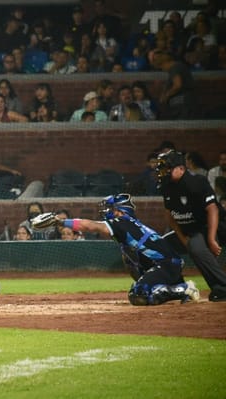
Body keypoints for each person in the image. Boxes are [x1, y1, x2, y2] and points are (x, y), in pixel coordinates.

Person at [38, 193, 199, 305]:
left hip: (165, 264)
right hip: (165, 264)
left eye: (111, 208)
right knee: (135, 276)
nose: (107, 212)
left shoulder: (121, 221)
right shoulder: (129, 224)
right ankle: (176, 287)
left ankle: (184, 288)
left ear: (121, 211)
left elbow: (90, 226)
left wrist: (59, 221)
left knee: (138, 295)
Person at [156, 150, 226, 302]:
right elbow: (170, 216)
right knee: (161, 245)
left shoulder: (196, 182)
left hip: (215, 225)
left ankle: (222, 287)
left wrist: (212, 239)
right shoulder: (167, 186)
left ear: (181, 168)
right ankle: (179, 287)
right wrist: (183, 240)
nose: (164, 172)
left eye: (168, 168)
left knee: (196, 246)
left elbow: (212, 209)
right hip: (192, 230)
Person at [152, 51, 196, 119]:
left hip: (183, 104)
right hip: (184, 103)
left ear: (165, 63)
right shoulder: (178, 66)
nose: (163, 70)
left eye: (161, 67)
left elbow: (178, 85)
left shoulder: (174, 68)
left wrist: (167, 95)